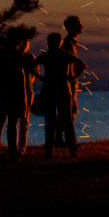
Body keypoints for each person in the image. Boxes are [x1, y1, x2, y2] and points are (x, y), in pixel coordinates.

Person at [0, 35, 35, 158]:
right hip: (14, 93)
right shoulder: (17, 55)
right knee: (12, 121)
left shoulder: (0, 55)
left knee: (1, 119)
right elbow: (21, 74)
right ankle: (13, 148)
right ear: (19, 43)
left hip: (2, 92)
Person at [33, 32, 86, 158]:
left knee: (49, 122)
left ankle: (49, 152)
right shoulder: (65, 54)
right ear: (60, 42)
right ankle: (73, 151)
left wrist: (39, 76)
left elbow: (30, 65)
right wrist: (72, 77)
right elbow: (83, 65)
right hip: (64, 89)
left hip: (49, 90)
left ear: (49, 43)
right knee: (68, 122)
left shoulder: (46, 56)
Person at [58, 15, 83, 148]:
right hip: (69, 82)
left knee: (70, 110)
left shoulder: (72, 43)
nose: (81, 26)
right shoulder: (67, 44)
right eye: (78, 24)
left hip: (72, 81)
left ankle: (63, 138)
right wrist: (71, 78)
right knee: (68, 111)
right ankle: (62, 138)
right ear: (71, 27)